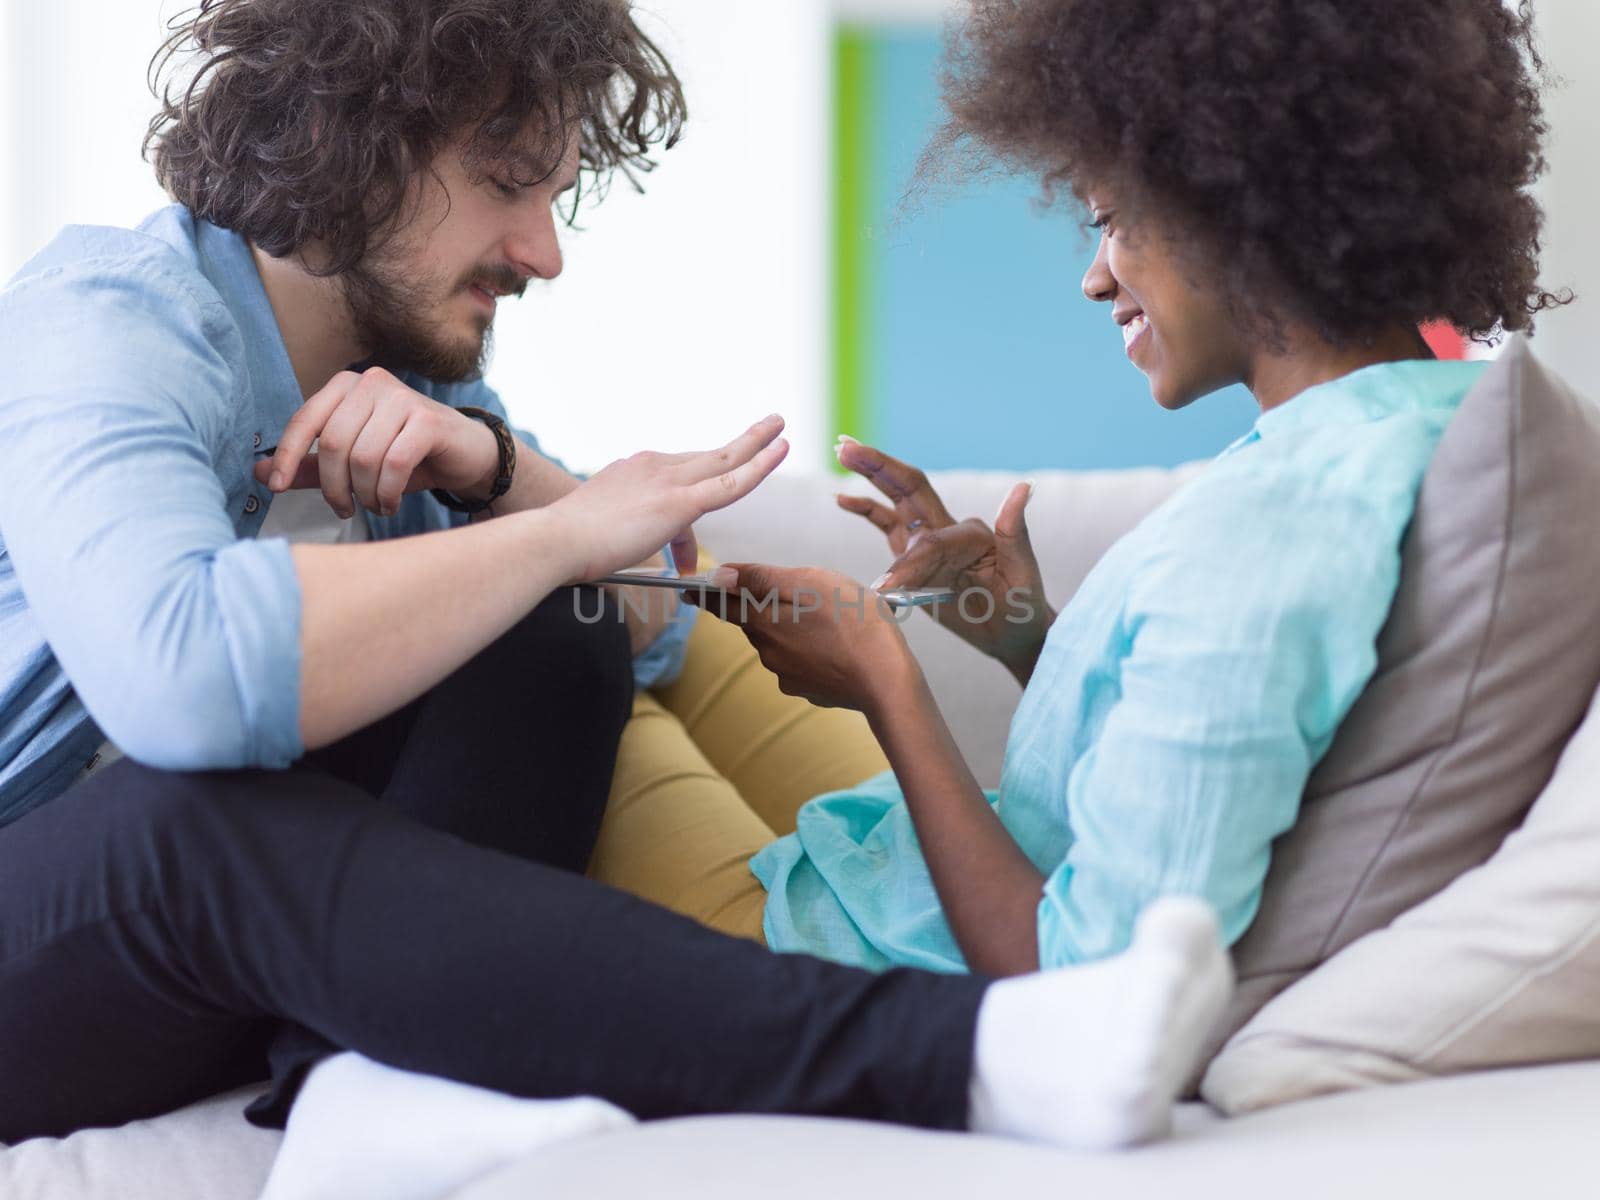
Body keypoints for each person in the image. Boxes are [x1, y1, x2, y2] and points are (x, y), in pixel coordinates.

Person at [0, 0, 1232, 1153]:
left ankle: (369, 1094)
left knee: (548, 634)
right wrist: (560, 528)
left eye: (556, 197)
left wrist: (495, 472)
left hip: (206, 969)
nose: (542, 251)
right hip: (52, 923)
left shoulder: (420, 391)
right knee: (193, 829)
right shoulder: (113, 320)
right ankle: (960, 1056)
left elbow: (637, 625)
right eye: (503, 187)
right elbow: (183, 682)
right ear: (349, 148)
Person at [592, 0, 1569, 985]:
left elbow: (1072, 978)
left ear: (1237, 198)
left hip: (860, 971)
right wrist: (1026, 637)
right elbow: (1186, 756)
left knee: (566, 633)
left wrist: (883, 678)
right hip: (912, 891)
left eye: (1110, 221)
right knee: (645, 600)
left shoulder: (1280, 528)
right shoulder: (1403, 429)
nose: (1094, 282)